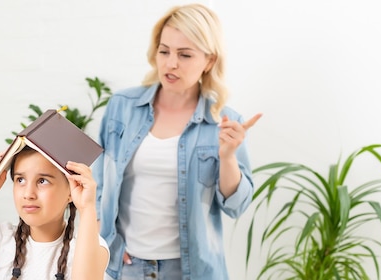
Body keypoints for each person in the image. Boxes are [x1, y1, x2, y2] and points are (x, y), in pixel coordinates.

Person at [94, 3, 262, 280]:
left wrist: (229, 156)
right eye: (164, 51)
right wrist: (105, 241)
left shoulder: (224, 122)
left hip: (191, 271)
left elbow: (236, 206)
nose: (171, 63)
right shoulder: (121, 107)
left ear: (209, 61)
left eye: (185, 55)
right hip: (126, 266)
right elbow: (99, 181)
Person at [0, 147, 110, 279]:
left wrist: (87, 208)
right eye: (20, 180)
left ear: (71, 191)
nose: (28, 194)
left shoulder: (91, 246)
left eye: (42, 181)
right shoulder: (2, 238)